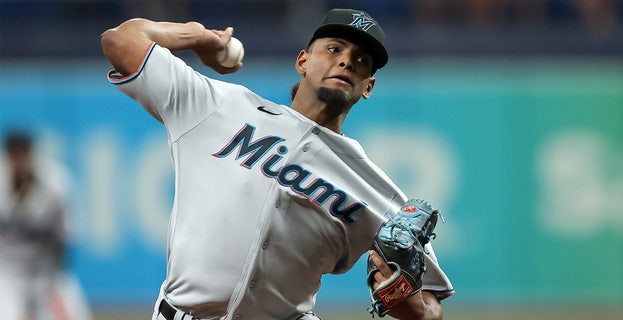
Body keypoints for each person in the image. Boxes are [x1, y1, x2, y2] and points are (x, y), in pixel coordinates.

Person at [101, 8, 454, 320]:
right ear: (303, 61)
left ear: (368, 87)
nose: (346, 61)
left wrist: (407, 301)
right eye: (334, 49)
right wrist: (196, 36)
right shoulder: (217, 107)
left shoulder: (375, 191)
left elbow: (432, 306)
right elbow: (120, 40)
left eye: (361, 60)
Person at [0, 131, 69, 319]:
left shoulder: (55, 184)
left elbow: (65, 239)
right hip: (6, 273)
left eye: (23, 153)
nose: (19, 159)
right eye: (15, 154)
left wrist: (57, 279)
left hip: (44, 273)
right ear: (7, 155)